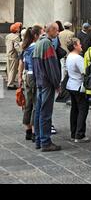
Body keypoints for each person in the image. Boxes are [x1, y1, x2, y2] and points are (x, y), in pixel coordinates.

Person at [32, 23, 62, 152]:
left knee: (39, 111)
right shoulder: (47, 44)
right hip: (47, 83)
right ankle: (45, 141)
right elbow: (52, 65)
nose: (58, 33)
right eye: (57, 30)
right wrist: (56, 83)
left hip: (40, 81)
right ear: (52, 30)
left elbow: (33, 64)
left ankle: (39, 140)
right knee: (45, 112)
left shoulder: (38, 43)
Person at [18, 25, 43, 142]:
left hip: (27, 75)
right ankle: (33, 131)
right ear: (36, 35)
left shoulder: (26, 47)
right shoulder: (36, 47)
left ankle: (28, 130)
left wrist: (19, 77)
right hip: (34, 76)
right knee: (35, 103)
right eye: (42, 34)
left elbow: (22, 63)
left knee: (28, 103)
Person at [66, 38, 89, 142]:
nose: (81, 46)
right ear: (75, 46)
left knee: (74, 110)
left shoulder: (69, 56)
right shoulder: (78, 58)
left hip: (71, 85)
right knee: (82, 110)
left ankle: (73, 132)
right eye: (79, 44)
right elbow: (84, 72)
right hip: (78, 85)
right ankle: (79, 134)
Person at [6, 22, 22, 89]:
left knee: (9, 69)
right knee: (13, 70)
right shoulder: (16, 37)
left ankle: (9, 82)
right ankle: (10, 84)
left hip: (8, 54)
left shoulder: (8, 36)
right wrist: (21, 51)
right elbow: (16, 47)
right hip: (14, 55)